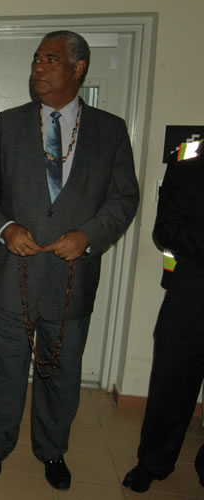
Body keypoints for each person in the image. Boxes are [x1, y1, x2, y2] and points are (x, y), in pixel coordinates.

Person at [0, 31, 140, 490]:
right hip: (12, 276)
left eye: (51, 59)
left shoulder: (110, 131)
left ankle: (52, 451)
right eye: (36, 59)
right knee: (2, 366)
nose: (39, 67)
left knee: (61, 370)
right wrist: (6, 229)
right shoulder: (8, 124)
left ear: (78, 68)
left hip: (71, 275)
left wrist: (88, 236)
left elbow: (124, 198)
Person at [122, 141, 204, 493]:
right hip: (193, 292)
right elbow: (165, 231)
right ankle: (152, 463)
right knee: (171, 386)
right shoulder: (189, 163)